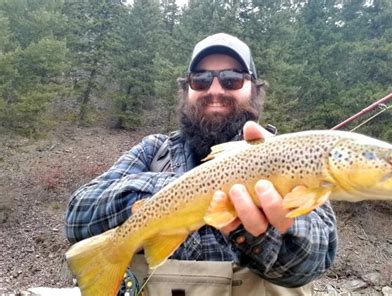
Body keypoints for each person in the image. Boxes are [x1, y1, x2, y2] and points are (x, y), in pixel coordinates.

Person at [65, 33, 337, 296]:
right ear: (186, 89)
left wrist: (256, 231)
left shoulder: (290, 156)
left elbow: (315, 259)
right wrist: (193, 190)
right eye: (201, 79)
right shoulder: (153, 152)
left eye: (231, 79)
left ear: (254, 89)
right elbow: (79, 214)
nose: (215, 90)